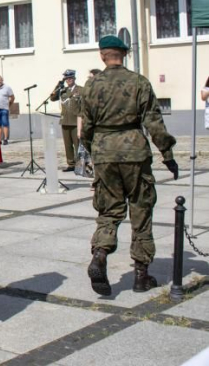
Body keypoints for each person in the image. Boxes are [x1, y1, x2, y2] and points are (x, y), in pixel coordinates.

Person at [82, 36, 178, 296]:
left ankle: (100, 255)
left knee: (109, 211)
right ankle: (141, 275)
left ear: (102, 55)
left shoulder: (91, 86)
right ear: (123, 54)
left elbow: (86, 126)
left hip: (104, 153)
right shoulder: (139, 82)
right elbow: (153, 121)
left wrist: (92, 150)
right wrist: (167, 154)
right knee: (141, 211)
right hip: (135, 151)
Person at [50, 70, 83, 172]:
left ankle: (79, 164)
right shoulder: (62, 90)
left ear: (74, 78)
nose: (68, 80)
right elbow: (52, 97)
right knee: (67, 145)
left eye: (70, 78)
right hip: (65, 121)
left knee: (77, 144)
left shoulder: (81, 90)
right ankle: (71, 164)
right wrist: (58, 86)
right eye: (66, 78)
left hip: (75, 121)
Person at [0, 75, 15, 145]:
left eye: (0, 80)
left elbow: (12, 97)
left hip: (4, 109)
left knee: (5, 124)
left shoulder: (7, 88)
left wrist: (9, 104)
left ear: (2, 80)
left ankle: (5, 139)